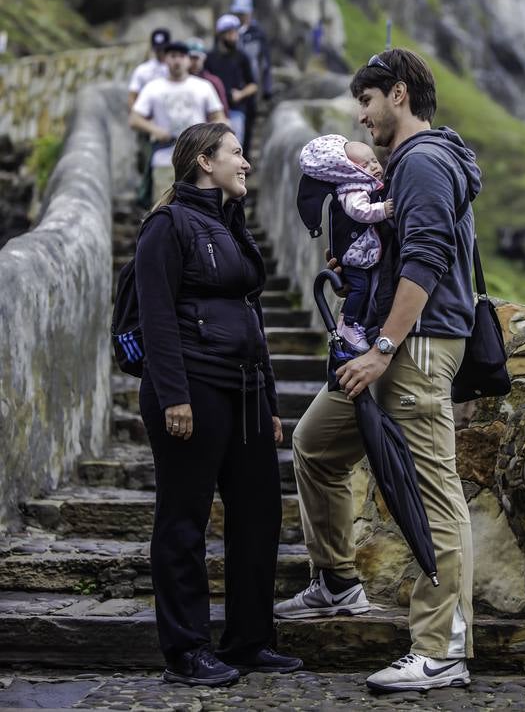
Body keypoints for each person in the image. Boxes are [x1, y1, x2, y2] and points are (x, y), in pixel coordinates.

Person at [275, 48, 481, 695]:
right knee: (315, 444)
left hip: (414, 349)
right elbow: (399, 253)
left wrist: (382, 347)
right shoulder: (406, 165)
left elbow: (426, 261)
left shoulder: (421, 162)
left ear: (397, 93)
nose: (361, 118)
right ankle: (338, 582)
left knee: (436, 495)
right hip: (396, 346)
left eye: (365, 102)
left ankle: (441, 649)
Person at [135, 122, 303, 688]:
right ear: (205, 161)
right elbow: (156, 317)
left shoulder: (232, 225)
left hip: (248, 390)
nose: (246, 164)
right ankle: (185, 650)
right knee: (183, 519)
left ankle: (249, 640)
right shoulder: (167, 225)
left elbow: (253, 320)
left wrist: (273, 400)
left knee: (259, 513)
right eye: (236, 154)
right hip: (194, 388)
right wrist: (174, 397)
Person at [298, 134, 394, 352]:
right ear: (350, 170)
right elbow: (358, 211)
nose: (374, 167)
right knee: (359, 288)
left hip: (361, 252)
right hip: (354, 254)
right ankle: (348, 324)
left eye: (374, 161)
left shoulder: (366, 186)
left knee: (362, 286)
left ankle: (350, 322)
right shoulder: (352, 189)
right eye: (365, 165)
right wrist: (383, 210)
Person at [129, 40, 225, 204]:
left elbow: (219, 117)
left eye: (181, 56)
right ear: (166, 59)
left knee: (199, 208)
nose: (177, 61)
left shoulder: (204, 87)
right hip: (164, 157)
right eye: (173, 56)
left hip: (198, 159)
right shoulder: (153, 88)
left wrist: (208, 136)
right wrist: (155, 130)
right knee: (163, 207)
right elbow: (134, 119)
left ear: (188, 60)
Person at [127, 27, 171, 208]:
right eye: (157, 49)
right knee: (147, 162)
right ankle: (146, 199)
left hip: (168, 126)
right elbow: (132, 98)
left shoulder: (173, 68)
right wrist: (143, 119)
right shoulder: (143, 71)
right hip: (147, 125)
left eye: (163, 49)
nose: (160, 53)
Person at [204, 15, 257, 160]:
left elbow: (253, 85)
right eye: (229, 33)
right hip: (214, 110)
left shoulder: (242, 57)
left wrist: (240, 94)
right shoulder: (210, 57)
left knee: (234, 146)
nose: (233, 36)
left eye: (235, 32)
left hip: (236, 109)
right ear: (221, 35)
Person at [229, 0, 273, 101]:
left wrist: (267, 89)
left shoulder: (258, 34)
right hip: (231, 84)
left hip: (251, 85)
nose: (239, 17)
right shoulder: (228, 31)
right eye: (237, 13)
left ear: (250, 12)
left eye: (242, 13)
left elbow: (265, 62)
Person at [187, 38, 229, 114]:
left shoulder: (213, 81)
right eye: (191, 57)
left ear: (204, 58)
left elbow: (223, 109)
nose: (194, 62)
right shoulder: (179, 81)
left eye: (197, 58)